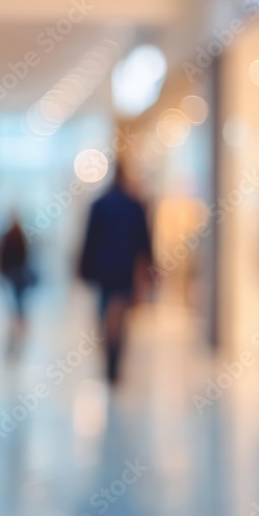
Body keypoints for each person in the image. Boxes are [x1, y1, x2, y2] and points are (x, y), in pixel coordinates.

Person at [79, 162, 153, 385]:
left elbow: (89, 241)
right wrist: (149, 269)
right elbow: (145, 243)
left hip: (104, 270)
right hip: (124, 270)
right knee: (120, 314)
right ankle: (115, 358)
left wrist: (84, 269)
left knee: (104, 313)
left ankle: (110, 357)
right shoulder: (134, 205)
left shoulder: (99, 205)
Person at [0, 215, 35, 359]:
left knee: (16, 297)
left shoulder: (8, 236)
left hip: (13, 272)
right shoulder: (19, 236)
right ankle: (20, 317)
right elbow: (25, 254)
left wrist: (3, 270)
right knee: (19, 297)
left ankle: (18, 317)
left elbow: (2, 255)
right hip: (18, 271)